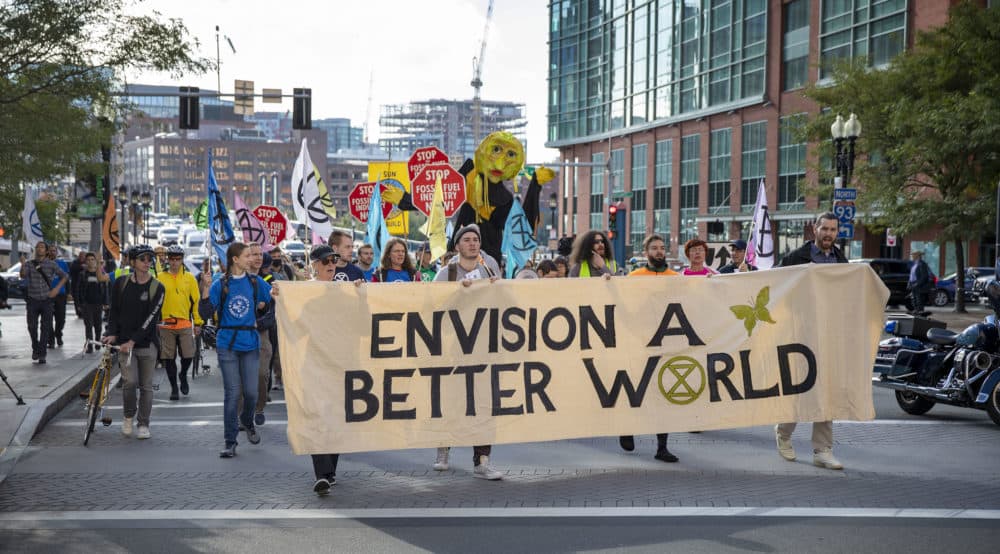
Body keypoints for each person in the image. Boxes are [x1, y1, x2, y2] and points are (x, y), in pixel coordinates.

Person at [775, 212, 846, 470]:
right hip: (801, 334)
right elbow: (774, 287)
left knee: (827, 392)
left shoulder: (841, 261)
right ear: (814, 229)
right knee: (798, 388)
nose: (828, 234)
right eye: (824, 228)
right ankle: (783, 433)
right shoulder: (795, 258)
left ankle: (822, 450)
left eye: (833, 229)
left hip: (831, 335)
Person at [432, 224, 503, 480]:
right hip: (454, 348)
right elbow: (432, 307)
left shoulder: (489, 271)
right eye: (467, 240)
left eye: (476, 240)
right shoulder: (446, 273)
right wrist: (457, 294)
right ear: (457, 246)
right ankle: (443, 449)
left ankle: (482, 461)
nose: (473, 243)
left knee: (484, 403)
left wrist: (497, 289)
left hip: (484, 347)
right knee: (451, 401)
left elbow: (503, 304)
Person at [198, 242, 275, 458]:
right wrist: (205, 289)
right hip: (227, 344)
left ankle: (247, 420)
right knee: (232, 394)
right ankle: (230, 441)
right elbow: (205, 312)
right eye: (247, 256)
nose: (252, 259)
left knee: (251, 393)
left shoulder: (255, 282)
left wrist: (263, 320)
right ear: (235, 259)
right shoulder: (220, 284)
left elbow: (275, 302)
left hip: (250, 343)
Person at [304, 243, 365, 495]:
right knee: (318, 417)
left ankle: (329, 471)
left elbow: (363, 324)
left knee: (337, 417)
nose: (331, 265)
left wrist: (361, 297)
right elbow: (292, 323)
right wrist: (279, 297)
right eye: (326, 261)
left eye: (334, 261)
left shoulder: (345, 291)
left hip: (341, 363)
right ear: (314, 265)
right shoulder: (303, 293)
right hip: (315, 364)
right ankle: (321, 474)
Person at [618, 234, 681, 462]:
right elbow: (619, 301)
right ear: (646, 253)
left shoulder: (676, 278)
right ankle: (627, 428)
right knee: (636, 389)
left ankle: (662, 447)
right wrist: (607, 281)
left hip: (666, 343)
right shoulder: (634, 277)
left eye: (662, 248)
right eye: (654, 248)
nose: (659, 251)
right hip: (639, 343)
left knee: (662, 393)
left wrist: (711, 282)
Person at [103, 245, 164, 440]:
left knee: (146, 386)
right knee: (129, 383)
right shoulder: (121, 284)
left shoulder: (157, 287)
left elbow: (151, 319)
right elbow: (114, 312)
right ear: (132, 262)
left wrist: (132, 341)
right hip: (124, 344)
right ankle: (128, 416)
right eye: (142, 259)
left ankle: (143, 423)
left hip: (147, 344)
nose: (147, 262)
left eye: (149, 259)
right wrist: (112, 333)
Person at [156, 245, 203, 401]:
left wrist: (197, 323)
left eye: (178, 259)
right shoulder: (160, 277)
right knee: (168, 358)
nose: (175, 262)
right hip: (166, 323)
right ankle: (174, 388)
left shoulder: (190, 278)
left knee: (188, 355)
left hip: (184, 323)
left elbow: (196, 302)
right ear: (168, 260)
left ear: (182, 260)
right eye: (172, 259)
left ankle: (183, 375)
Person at [20, 241, 68, 364]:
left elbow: (65, 276)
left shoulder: (52, 264)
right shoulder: (30, 264)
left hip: (47, 300)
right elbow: (23, 275)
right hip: (33, 299)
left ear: (46, 251)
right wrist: (22, 264)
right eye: (37, 247)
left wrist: (56, 289)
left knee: (45, 327)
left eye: (42, 247)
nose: (39, 249)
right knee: (32, 326)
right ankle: (35, 347)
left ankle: (42, 353)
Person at [78, 252, 110, 353]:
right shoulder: (82, 274)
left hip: (98, 303)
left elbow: (105, 289)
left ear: (96, 261)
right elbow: (78, 289)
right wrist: (79, 304)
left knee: (98, 326)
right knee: (88, 325)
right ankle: (89, 346)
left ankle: (97, 342)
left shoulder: (101, 274)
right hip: (87, 304)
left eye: (92, 259)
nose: (90, 262)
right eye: (88, 260)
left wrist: (106, 302)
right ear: (85, 262)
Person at [46, 244, 71, 347]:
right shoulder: (43, 264)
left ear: (56, 252)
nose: (52, 252)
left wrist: (69, 293)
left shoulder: (62, 264)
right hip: (47, 295)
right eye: (50, 250)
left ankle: (58, 334)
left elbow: (67, 279)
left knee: (61, 318)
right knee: (47, 318)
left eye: (54, 251)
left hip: (61, 294)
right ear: (47, 252)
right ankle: (51, 340)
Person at [908, 250, 932, 316]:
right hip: (913, 284)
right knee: (914, 299)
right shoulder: (914, 264)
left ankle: (920, 313)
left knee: (919, 300)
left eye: (913, 255)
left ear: (918, 256)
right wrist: (909, 283)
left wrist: (917, 284)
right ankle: (916, 311)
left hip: (919, 285)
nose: (912, 256)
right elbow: (911, 275)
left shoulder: (922, 264)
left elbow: (924, 276)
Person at [69, 251, 87, 318]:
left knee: (83, 298)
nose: (82, 257)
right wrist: (81, 267)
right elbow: (71, 271)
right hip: (75, 284)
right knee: (76, 299)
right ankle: (79, 312)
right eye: (81, 256)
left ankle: (84, 312)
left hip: (84, 285)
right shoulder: (75, 262)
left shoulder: (87, 262)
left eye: (83, 256)